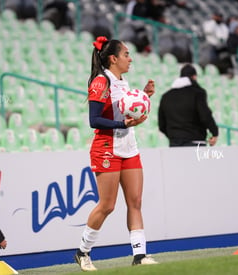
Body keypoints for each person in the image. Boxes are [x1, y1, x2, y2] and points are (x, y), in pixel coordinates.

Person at [74, 36, 157, 271]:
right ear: (113, 58)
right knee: (107, 205)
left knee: (135, 201)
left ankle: (140, 255)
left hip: (129, 148)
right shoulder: (101, 82)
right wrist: (124, 125)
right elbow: (94, 120)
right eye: (126, 54)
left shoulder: (122, 81)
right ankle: (83, 252)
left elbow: (123, 107)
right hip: (107, 148)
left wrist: (144, 95)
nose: (130, 59)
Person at [158, 64, 219, 147]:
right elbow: (205, 116)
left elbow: (162, 124)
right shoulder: (198, 93)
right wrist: (214, 132)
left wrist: (174, 136)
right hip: (196, 142)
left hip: (174, 143)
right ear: (194, 77)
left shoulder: (166, 97)